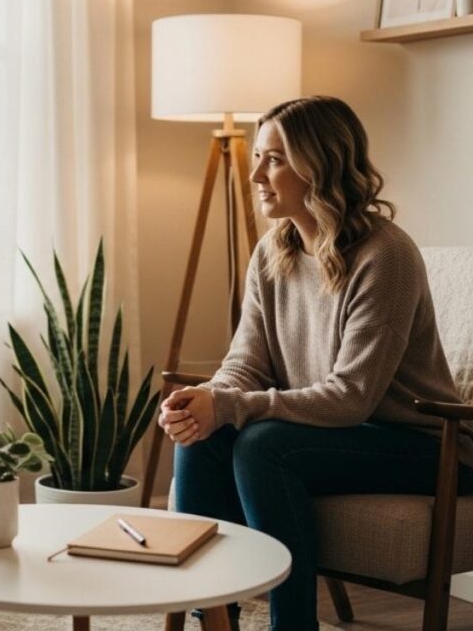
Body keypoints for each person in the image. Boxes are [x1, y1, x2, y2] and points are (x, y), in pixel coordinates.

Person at [158, 95, 473, 631]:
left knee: (262, 444)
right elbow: (246, 363)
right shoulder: (272, 251)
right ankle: (213, 618)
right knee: (204, 433)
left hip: (425, 444)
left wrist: (232, 406)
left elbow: (352, 397)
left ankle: (293, 625)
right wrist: (207, 400)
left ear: (320, 165)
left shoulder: (385, 255)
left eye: (275, 159)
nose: (256, 173)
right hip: (331, 434)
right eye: (260, 156)